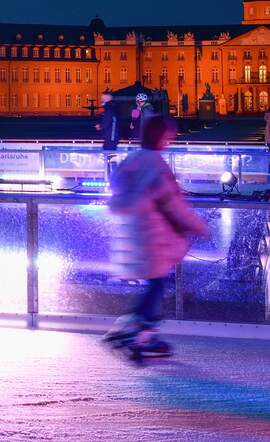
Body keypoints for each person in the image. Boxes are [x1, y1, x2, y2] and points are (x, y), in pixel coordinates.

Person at [103, 115, 208, 358]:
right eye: (169, 137)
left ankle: (143, 335)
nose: (169, 141)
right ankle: (132, 330)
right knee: (157, 283)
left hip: (132, 231)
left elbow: (118, 191)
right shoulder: (157, 166)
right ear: (161, 137)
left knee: (155, 284)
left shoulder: (131, 159)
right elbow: (173, 205)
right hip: (154, 235)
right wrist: (199, 227)